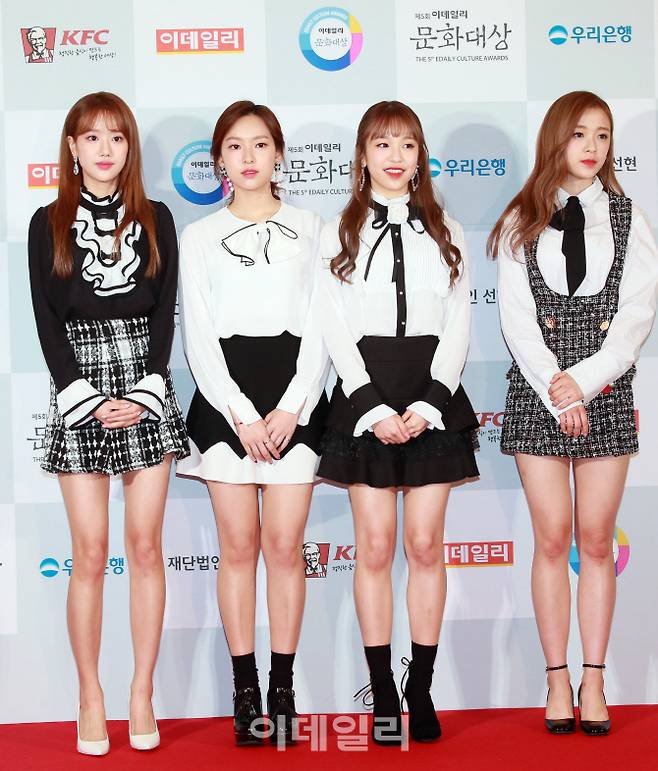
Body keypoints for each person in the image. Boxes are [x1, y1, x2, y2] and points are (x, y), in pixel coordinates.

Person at [489, 90, 658, 736]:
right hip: (538, 395)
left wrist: (582, 385)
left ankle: (594, 679)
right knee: (552, 537)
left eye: (603, 135)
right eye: (579, 133)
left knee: (594, 539)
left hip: (605, 392)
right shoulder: (519, 220)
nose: (591, 147)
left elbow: (635, 319)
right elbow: (516, 322)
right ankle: (555, 678)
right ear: (555, 139)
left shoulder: (629, 218)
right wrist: (557, 392)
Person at [28, 91, 189, 755]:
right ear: (72, 147)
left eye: (116, 137)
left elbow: (166, 309)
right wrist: (84, 396)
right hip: (79, 382)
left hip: (144, 377)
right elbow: (46, 321)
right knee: (90, 550)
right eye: (90, 136)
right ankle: (89, 694)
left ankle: (141, 691)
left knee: (145, 545)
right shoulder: (47, 223)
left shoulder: (157, 217)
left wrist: (147, 390)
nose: (103, 148)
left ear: (129, 148)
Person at [316, 100, 479, 745]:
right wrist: (373, 406)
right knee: (377, 547)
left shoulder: (448, 231)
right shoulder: (338, 232)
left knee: (425, 545)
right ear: (363, 155)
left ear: (420, 157)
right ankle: (382, 690)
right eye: (382, 144)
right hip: (366, 397)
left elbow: (460, 322)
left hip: (434, 394)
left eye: (407, 144)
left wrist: (433, 401)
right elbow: (333, 325)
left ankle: (422, 688)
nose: (394, 156)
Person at [177, 100, 329, 746]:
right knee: (238, 547)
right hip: (225, 403)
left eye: (260, 144)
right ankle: (245, 689)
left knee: (284, 547)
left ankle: (283, 686)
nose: (247, 157)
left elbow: (323, 324)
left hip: (296, 397)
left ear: (279, 155)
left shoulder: (313, 227)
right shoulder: (198, 236)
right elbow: (199, 336)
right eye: (235, 146)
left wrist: (293, 406)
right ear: (218, 160)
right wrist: (240, 414)